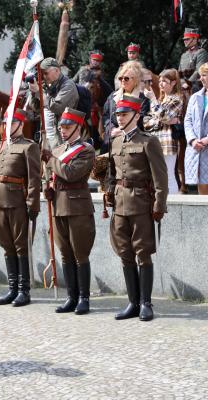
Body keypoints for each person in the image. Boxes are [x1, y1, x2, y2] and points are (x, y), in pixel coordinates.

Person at [105, 95, 168, 322]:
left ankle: (146, 303)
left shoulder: (148, 141)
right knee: (125, 252)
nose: (120, 118)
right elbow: (112, 174)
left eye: (124, 114)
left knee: (142, 252)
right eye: (118, 115)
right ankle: (132, 302)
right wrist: (109, 194)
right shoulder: (116, 141)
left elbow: (160, 177)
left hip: (141, 203)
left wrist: (159, 204)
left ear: (136, 115)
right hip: (120, 204)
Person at [41, 108, 95, 315]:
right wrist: (48, 188)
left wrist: (51, 159)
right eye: (61, 127)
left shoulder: (86, 150)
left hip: (77, 207)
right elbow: (53, 175)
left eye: (68, 127)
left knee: (80, 253)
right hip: (59, 206)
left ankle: (84, 298)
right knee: (65, 254)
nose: (63, 131)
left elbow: (70, 173)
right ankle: (71, 297)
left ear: (78, 128)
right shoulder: (58, 149)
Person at [0, 109, 40, 306]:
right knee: (6, 244)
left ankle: (24, 290)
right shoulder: (0, 146)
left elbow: (34, 179)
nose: (6, 127)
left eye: (11, 123)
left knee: (21, 246)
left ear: (20, 124)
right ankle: (12, 288)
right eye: (5, 123)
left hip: (18, 202)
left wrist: (32, 204)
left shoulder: (29, 147)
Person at [143, 69, 185, 194]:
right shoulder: (161, 100)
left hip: (168, 142)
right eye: (160, 81)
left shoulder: (177, 99)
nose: (160, 84)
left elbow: (163, 116)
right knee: (157, 176)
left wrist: (153, 100)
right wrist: (164, 120)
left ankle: (173, 205)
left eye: (164, 81)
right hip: (155, 141)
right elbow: (146, 122)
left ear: (173, 83)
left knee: (168, 174)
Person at [30, 57, 79, 149]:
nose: (43, 76)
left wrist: (39, 93)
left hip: (63, 136)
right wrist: (33, 92)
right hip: (47, 137)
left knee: (60, 162)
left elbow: (57, 107)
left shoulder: (68, 85)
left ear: (57, 70)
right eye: (42, 73)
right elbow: (35, 107)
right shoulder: (47, 86)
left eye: (46, 73)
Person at [102, 61, 150, 154]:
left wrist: (122, 131)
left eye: (126, 78)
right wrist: (111, 129)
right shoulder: (112, 96)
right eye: (121, 78)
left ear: (135, 80)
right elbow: (106, 116)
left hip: (133, 142)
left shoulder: (142, 98)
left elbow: (142, 118)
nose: (123, 80)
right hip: (111, 139)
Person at [184, 62, 208, 194]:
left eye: (204, 75)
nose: (201, 78)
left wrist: (206, 140)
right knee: (202, 191)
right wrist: (193, 140)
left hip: (205, 146)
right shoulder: (194, 97)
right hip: (196, 149)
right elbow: (187, 120)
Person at [179, 28, 208, 93]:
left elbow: (199, 70)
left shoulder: (201, 52)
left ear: (195, 39)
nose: (185, 41)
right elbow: (179, 73)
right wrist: (181, 83)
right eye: (184, 39)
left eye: (187, 39)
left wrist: (188, 83)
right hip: (183, 85)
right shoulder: (184, 55)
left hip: (196, 84)